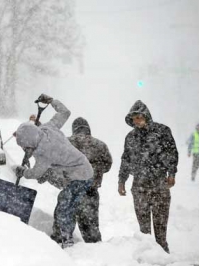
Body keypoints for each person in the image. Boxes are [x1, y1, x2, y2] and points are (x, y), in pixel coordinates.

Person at [14, 94, 94, 248]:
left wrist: (23, 172)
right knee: (66, 205)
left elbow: (37, 173)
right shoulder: (47, 128)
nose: (24, 149)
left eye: (24, 147)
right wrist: (51, 101)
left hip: (81, 176)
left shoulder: (45, 153)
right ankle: (64, 236)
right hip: (80, 169)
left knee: (65, 206)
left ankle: (67, 239)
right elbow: (65, 113)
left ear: (29, 143)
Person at [118, 100, 178, 253]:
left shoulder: (162, 131)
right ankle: (147, 257)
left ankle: (163, 255)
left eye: (139, 117)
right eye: (134, 119)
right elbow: (126, 159)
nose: (136, 121)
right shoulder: (130, 137)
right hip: (139, 186)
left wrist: (171, 174)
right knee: (144, 231)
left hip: (159, 183)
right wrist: (121, 180)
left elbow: (172, 153)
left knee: (160, 227)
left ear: (146, 116)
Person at [67, 117, 113, 243]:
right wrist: (95, 171)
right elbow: (108, 165)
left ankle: (63, 251)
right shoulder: (100, 144)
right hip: (90, 190)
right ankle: (95, 252)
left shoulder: (66, 142)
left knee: (65, 222)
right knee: (90, 226)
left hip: (70, 190)